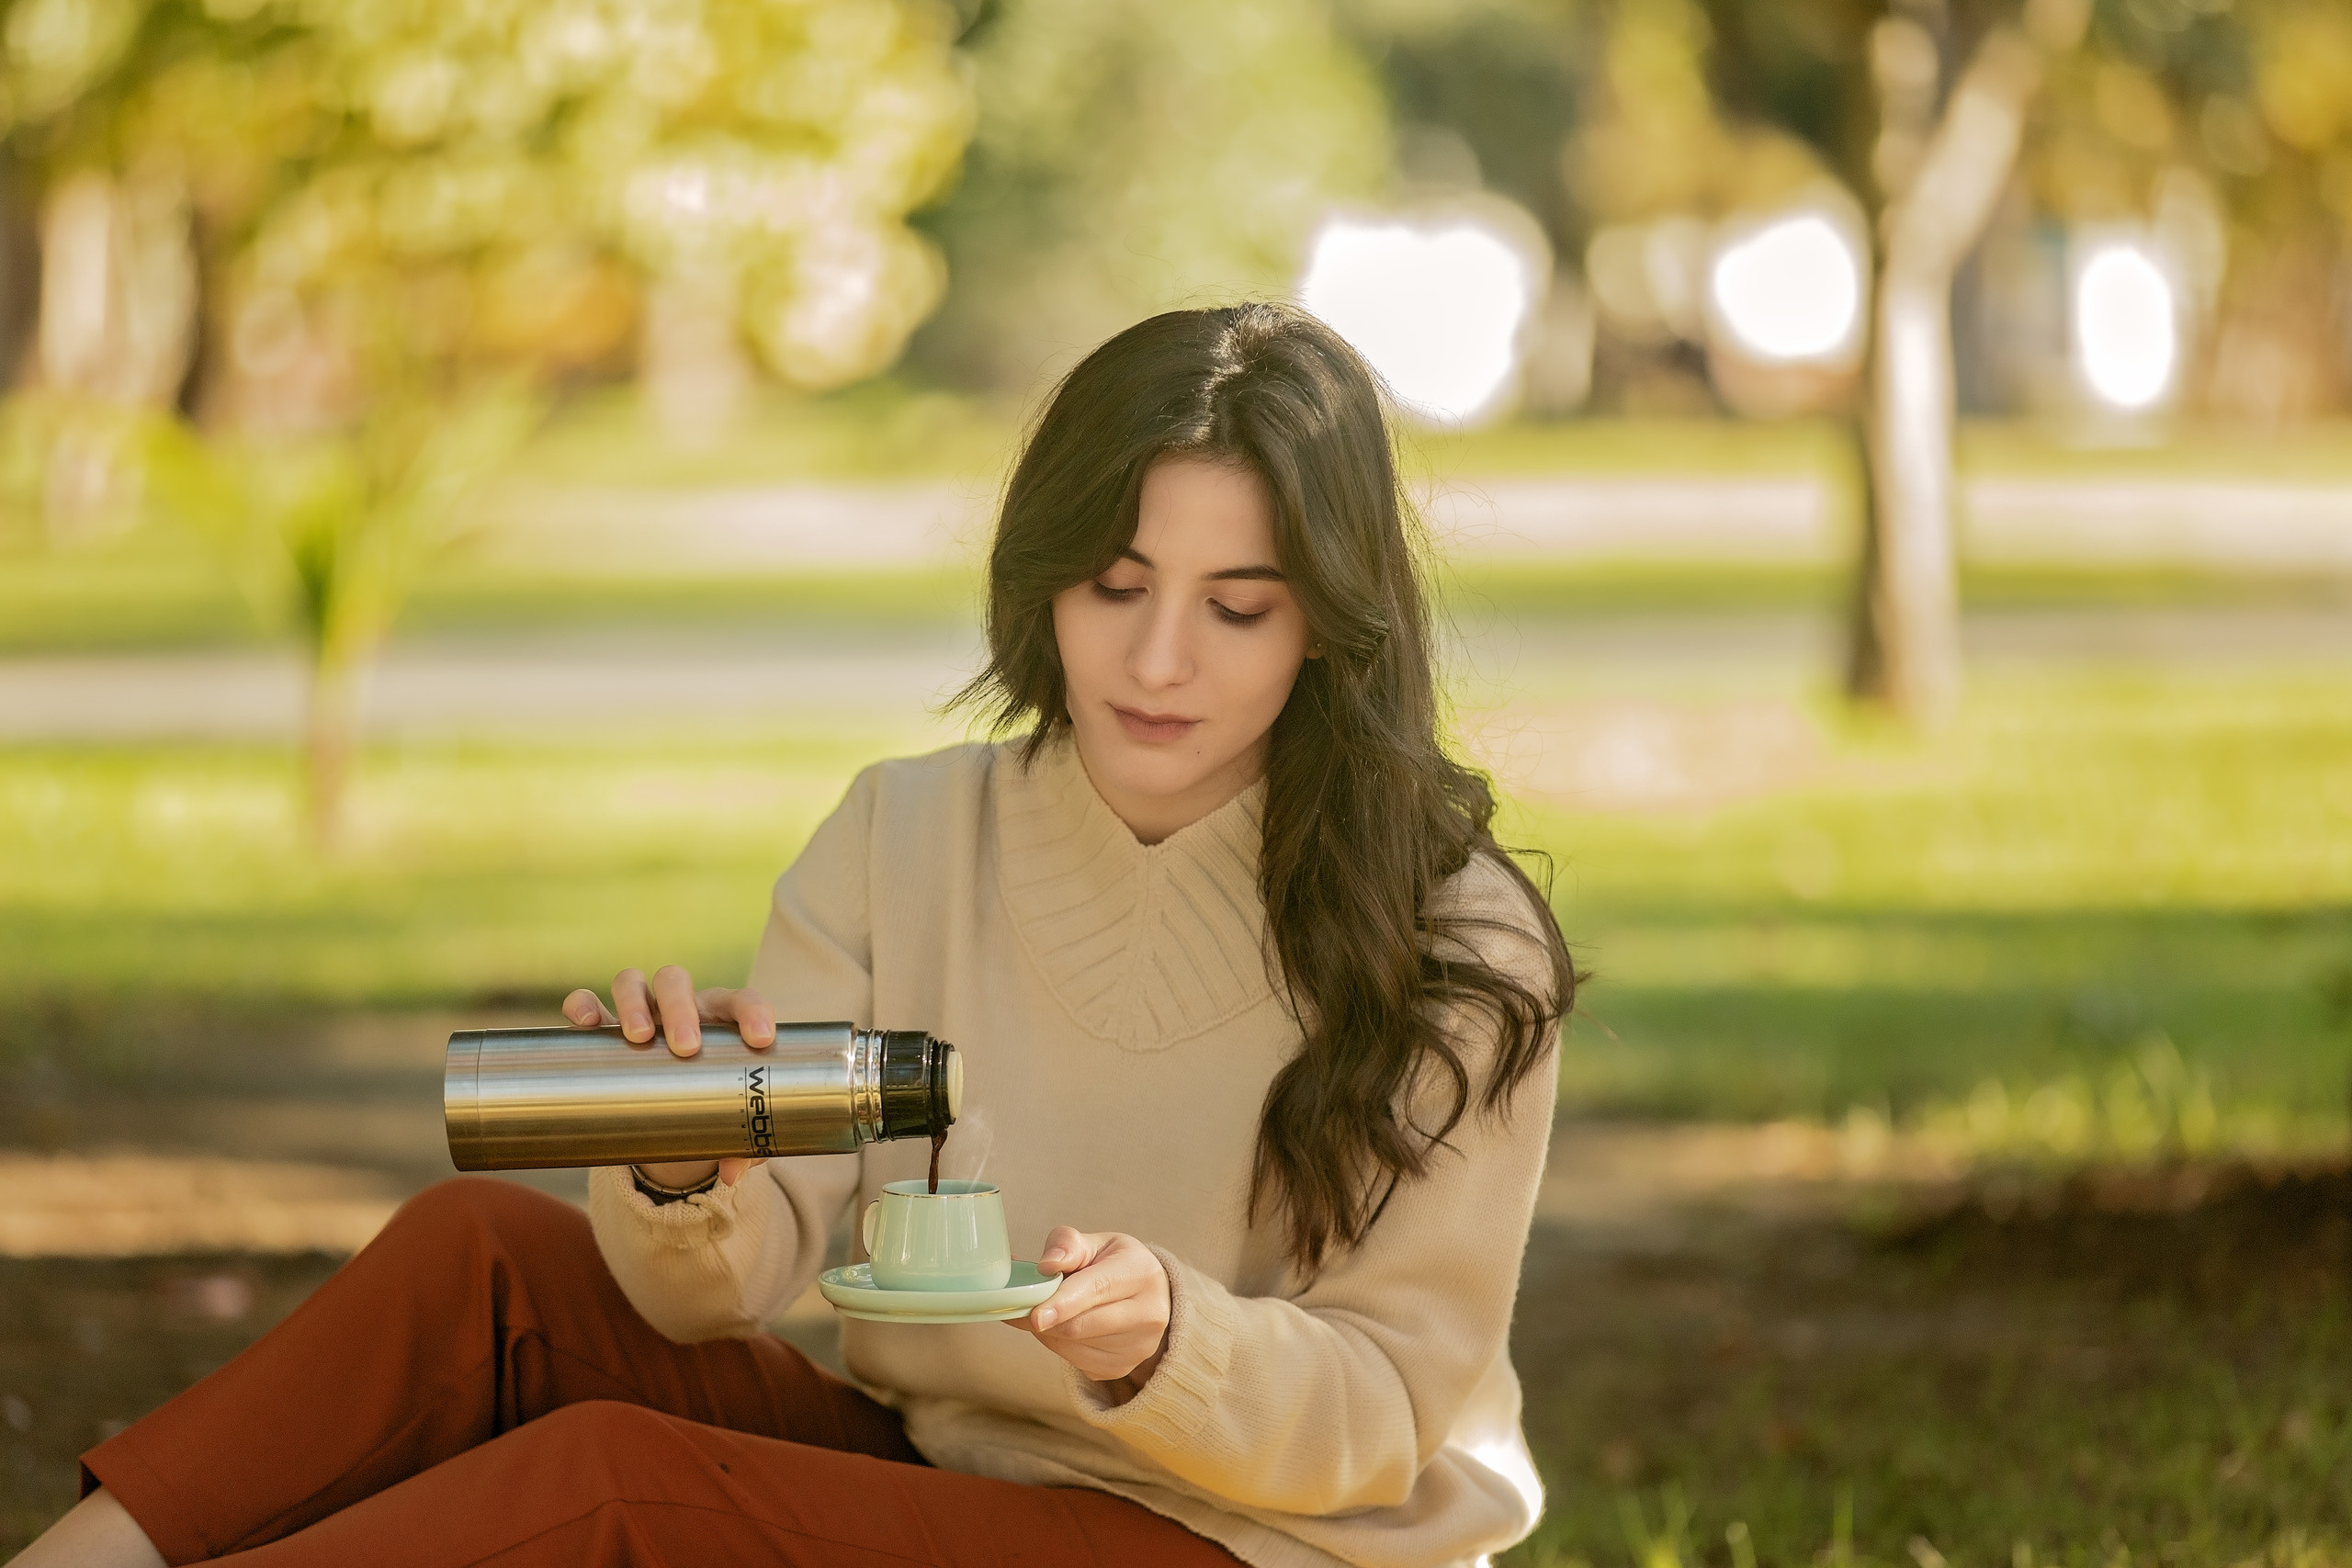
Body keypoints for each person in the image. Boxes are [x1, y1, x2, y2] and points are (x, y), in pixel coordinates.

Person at [17, 302, 1575, 1568]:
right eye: (1116, 586)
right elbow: (716, 1290)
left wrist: (1176, 1339)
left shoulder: (1455, 935)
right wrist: (693, 1157)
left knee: (621, 1490)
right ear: (1044, 585)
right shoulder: (908, 834)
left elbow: (1386, 1408)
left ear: (1332, 617)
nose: (1160, 659)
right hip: (950, 1472)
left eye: (1239, 607)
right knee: (480, 1254)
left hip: (1254, 1545)